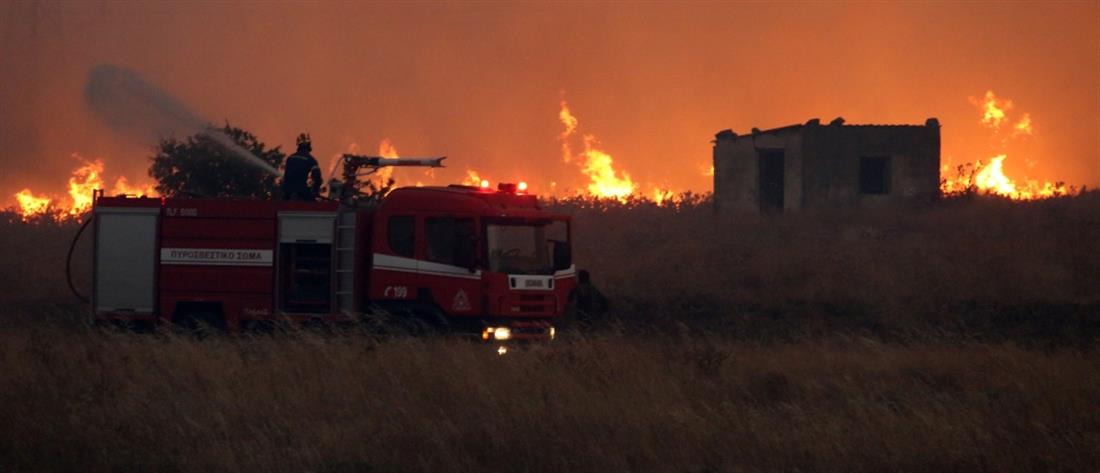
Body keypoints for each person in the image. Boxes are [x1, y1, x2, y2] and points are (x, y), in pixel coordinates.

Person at [281, 133, 322, 200]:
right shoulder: (311, 160)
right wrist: (316, 191)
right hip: (301, 192)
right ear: (308, 145)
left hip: (287, 193)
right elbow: (317, 177)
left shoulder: (290, 158)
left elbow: (287, 175)